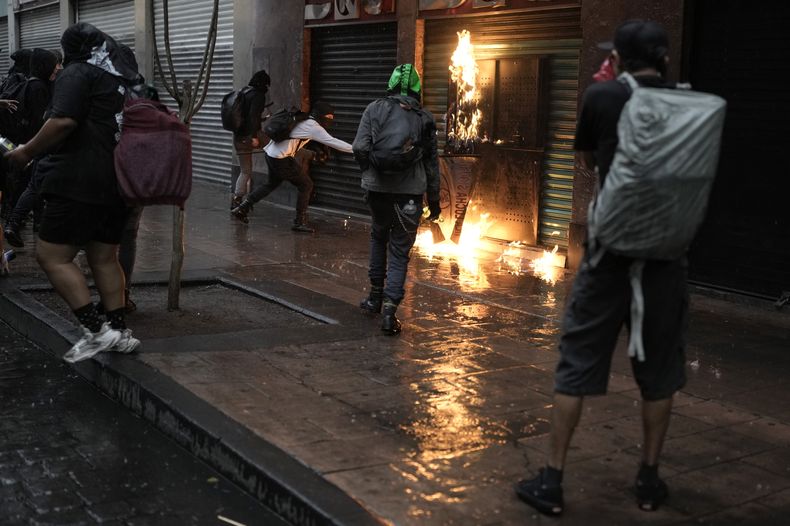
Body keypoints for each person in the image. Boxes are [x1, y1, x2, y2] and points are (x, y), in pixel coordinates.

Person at [514, 20, 685, 515]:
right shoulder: (688, 101)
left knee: (576, 362)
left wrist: (606, 89)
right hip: (667, 257)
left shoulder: (603, 97)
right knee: (660, 370)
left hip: (611, 253)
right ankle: (649, 481)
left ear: (622, 59)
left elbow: (587, 162)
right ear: (664, 59)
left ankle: (552, 481)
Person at [5, 23, 141, 363]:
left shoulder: (78, 74)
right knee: (105, 258)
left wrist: (25, 152)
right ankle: (119, 331)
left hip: (78, 181)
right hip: (118, 182)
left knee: (52, 256)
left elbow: (63, 122)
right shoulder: (122, 78)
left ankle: (96, 332)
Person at [352, 64, 440, 335]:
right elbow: (432, 165)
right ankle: (390, 313)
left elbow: (359, 147)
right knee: (400, 249)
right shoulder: (425, 117)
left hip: (377, 189)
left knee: (379, 237)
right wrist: (434, 201)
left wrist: (370, 170)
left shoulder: (374, 109)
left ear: (390, 84)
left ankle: (374, 298)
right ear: (417, 88)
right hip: (409, 194)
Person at [231, 101, 353, 232]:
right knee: (306, 185)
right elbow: (334, 142)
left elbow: (294, 144)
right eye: (328, 117)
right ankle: (299, 222)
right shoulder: (313, 127)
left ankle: (242, 208)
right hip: (280, 159)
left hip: (272, 154)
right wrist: (357, 149)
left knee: (271, 184)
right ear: (320, 114)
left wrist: (312, 154)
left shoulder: (303, 119)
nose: (330, 120)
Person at [3, 48, 61, 247]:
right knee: (34, 185)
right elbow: (41, 121)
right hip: (37, 145)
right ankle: (17, 222)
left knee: (32, 185)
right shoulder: (39, 88)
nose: (59, 68)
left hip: (30, 144)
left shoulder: (31, 83)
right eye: (55, 64)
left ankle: (18, 222)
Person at [231, 69, 271, 209]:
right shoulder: (258, 96)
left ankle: (237, 200)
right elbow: (253, 117)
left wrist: (261, 119)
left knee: (245, 170)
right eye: (267, 85)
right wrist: (254, 137)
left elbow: (246, 117)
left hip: (238, 137)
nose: (267, 88)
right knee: (275, 147)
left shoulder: (245, 92)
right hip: (250, 136)